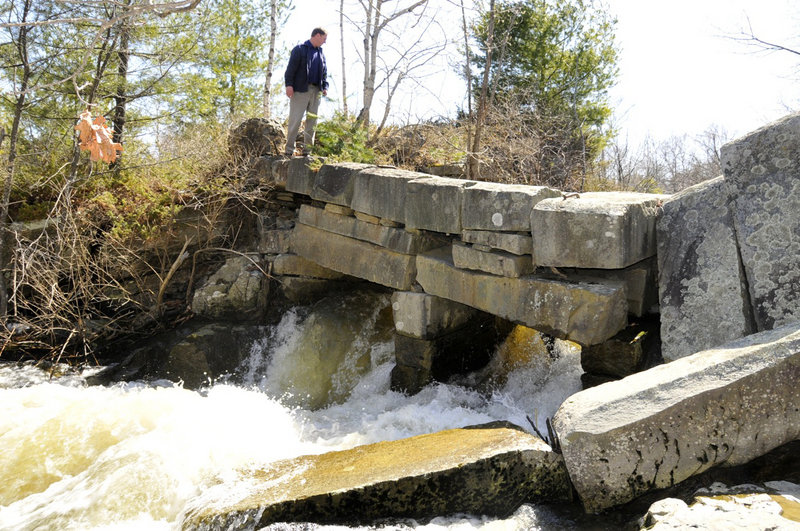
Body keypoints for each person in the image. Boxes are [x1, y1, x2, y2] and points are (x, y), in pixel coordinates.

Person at [284, 27, 328, 157]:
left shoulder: (321, 53)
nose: (325, 42)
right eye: (324, 38)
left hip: (316, 91)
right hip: (300, 90)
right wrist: (289, 85)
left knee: (312, 122)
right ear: (317, 35)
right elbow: (290, 69)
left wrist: (325, 86)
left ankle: (307, 152)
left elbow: (324, 72)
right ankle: (289, 150)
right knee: (295, 120)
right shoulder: (299, 49)